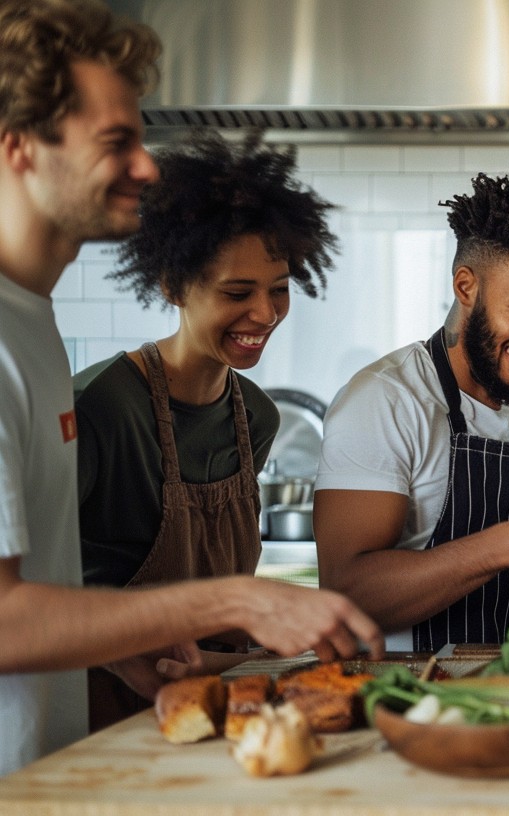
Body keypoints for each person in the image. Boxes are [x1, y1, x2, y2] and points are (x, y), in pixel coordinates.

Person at [0, 0, 381, 776]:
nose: (147, 167)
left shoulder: (29, 325)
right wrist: (240, 599)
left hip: (60, 763)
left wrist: (138, 649)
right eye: (118, 142)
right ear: (18, 150)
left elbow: (55, 587)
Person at [73, 128, 339, 730]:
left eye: (277, 291)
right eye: (237, 292)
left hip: (218, 702)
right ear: (172, 285)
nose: (265, 314)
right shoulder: (102, 408)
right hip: (107, 714)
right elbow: (37, 590)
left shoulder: (257, 418)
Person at [313, 168, 509, 652]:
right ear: (465, 286)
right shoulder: (387, 400)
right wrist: (507, 544)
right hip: (407, 694)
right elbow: (347, 591)